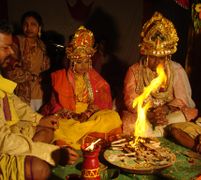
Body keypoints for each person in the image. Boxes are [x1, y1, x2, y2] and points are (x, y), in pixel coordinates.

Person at [0, 20, 79, 180]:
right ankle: (34, 157)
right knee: (39, 167)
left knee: (48, 129)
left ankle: (31, 152)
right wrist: (49, 153)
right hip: (4, 144)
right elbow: (4, 142)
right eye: (4, 48)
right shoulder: (59, 75)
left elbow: (14, 104)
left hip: (14, 131)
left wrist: (40, 119)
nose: (11, 52)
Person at [41, 26, 122, 149]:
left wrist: (89, 113)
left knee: (113, 117)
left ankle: (88, 137)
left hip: (90, 115)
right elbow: (55, 105)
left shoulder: (95, 78)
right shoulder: (60, 77)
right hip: (69, 117)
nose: (83, 66)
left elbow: (102, 104)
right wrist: (73, 115)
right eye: (79, 62)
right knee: (61, 127)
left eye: (86, 62)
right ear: (72, 61)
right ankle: (81, 140)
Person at [122, 12, 197, 137]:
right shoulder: (134, 70)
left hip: (168, 113)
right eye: (152, 57)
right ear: (145, 55)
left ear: (167, 56)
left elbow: (182, 99)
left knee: (183, 117)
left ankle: (160, 130)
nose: (156, 62)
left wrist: (165, 110)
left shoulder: (176, 69)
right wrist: (149, 114)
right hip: (143, 114)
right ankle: (159, 132)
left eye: (161, 58)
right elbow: (131, 101)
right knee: (134, 124)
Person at [3, 11, 50, 111]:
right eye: (25, 24)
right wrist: (30, 77)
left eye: (33, 24)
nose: (28, 28)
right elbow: (9, 70)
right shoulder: (16, 42)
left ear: (39, 27)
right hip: (21, 93)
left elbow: (46, 70)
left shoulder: (43, 46)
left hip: (40, 93)